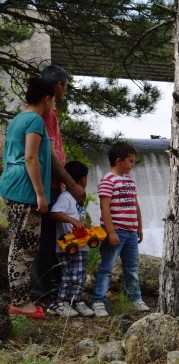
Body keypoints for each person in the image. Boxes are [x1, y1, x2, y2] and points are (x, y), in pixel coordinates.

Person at [29, 65, 87, 305]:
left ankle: (49, 291)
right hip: (49, 184)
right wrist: (72, 185)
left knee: (46, 239)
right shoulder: (47, 113)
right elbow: (49, 155)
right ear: (58, 86)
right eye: (66, 86)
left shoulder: (42, 113)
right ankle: (42, 294)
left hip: (51, 184)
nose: (66, 91)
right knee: (44, 242)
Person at [0, 77, 54, 319]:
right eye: (53, 101)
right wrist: (41, 194)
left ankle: (21, 298)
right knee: (24, 247)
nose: (54, 106)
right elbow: (30, 158)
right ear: (47, 99)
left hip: (12, 182)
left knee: (20, 243)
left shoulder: (18, 119)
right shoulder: (34, 120)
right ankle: (20, 302)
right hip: (25, 188)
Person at [91, 141, 149, 317]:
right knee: (107, 267)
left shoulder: (130, 181)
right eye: (130, 161)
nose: (132, 165)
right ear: (118, 161)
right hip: (116, 231)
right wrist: (111, 232)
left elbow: (135, 205)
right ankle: (99, 301)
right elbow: (104, 208)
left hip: (131, 231)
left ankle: (135, 298)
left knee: (132, 267)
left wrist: (139, 227)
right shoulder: (108, 181)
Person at [47, 161, 95, 317]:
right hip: (69, 244)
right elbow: (54, 213)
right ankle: (59, 303)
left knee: (80, 275)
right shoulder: (66, 197)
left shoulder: (78, 199)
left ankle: (76, 300)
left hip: (81, 244)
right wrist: (73, 221)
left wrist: (85, 225)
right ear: (83, 179)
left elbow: (80, 217)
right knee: (68, 275)